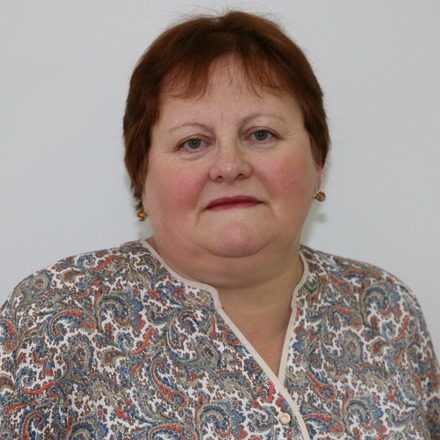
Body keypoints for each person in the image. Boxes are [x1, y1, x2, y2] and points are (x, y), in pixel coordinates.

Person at [0, 10, 438, 439]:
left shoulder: (385, 309)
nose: (229, 166)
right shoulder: (56, 316)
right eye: (193, 142)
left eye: (261, 134)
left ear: (317, 161)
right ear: (140, 175)